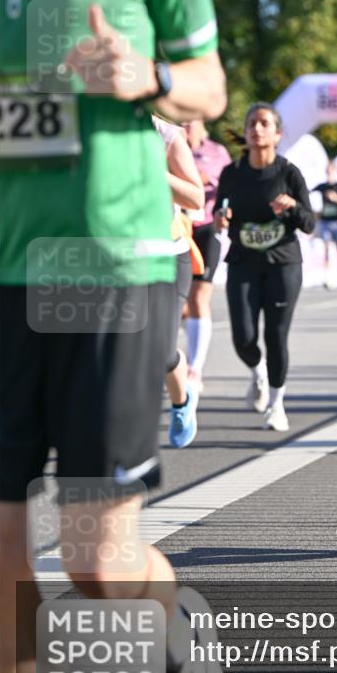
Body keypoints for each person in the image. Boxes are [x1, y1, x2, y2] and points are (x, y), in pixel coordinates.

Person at [0, 0, 234, 673]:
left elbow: (209, 87)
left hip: (111, 263)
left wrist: (144, 78)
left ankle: (189, 660)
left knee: (98, 561)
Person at [214, 104, 315, 431]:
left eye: (264, 123)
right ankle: (258, 374)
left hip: (283, 264)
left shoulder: (288, 173)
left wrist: (293, 206)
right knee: (243, 338)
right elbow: (220, 212)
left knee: (276, 335)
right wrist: (221, 218)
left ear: (277, 133)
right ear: (245, 133)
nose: (257, 129)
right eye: (251, 124)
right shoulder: (231, 173)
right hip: (243, 262)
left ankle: (276, 404)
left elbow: (309, 223)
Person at [153, 116, 204, 448]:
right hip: (108, 257)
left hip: (166, 255)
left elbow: (195, 198)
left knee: (157, 348)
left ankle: (181, 402)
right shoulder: (82, 125)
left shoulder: (166, 134)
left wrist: (151, 170)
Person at [183, 119, 232, 392]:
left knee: (200, 296)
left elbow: (228, 189)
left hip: (206, 229)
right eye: (182, 121)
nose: (186, 126)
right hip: (177, 229)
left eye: (191, 121)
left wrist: (205, 179)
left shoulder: (217, 152)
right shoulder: (168, 144)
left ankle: (195, 369)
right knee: (179, 302)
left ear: (202, 123)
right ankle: (182, 353)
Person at [312, 157, 337, 288]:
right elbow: (309, 192)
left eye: (331, 170)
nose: (329, 173)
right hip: (325, 221)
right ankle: (327, 277)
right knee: (327, 249)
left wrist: (335, 198)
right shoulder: (322, 186)